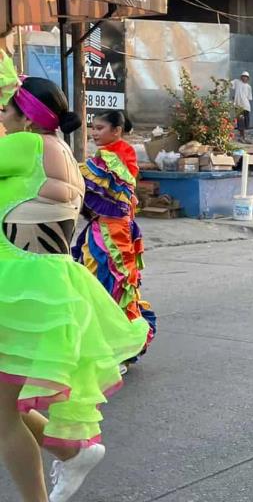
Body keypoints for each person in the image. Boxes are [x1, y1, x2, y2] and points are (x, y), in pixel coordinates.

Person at [0, 71, 149, 501]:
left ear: (26, 118)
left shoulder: (25, 146)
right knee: (6, 404)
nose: (1, 116)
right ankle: (73, 453)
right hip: (46, 284)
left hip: (17, 288)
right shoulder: (62, 152)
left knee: (1, 415)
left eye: (6, 109)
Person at [73, 110, 158, 372]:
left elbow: (87, 177)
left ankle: (119, 349)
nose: (95, 133)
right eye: (94, 128)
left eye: (100, 128)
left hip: (114, 234)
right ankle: (110, 346)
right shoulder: (109, 154)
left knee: (113, 286)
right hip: (104, 229)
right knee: (100, 285)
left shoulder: (119, 153)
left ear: (116, 130)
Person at [230, 71, 253, 142]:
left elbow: (249, 98)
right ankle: (242, 136)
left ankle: (243, 136)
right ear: (241, 77)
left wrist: (238, 96)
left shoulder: (249, 87)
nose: (244, 78)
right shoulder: (237, 82)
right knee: (240, 121)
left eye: (246, 77)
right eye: (243, 76)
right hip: (238, 106)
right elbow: (229, 84)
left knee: (246, 122)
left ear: (248, 78)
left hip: (246, 106)